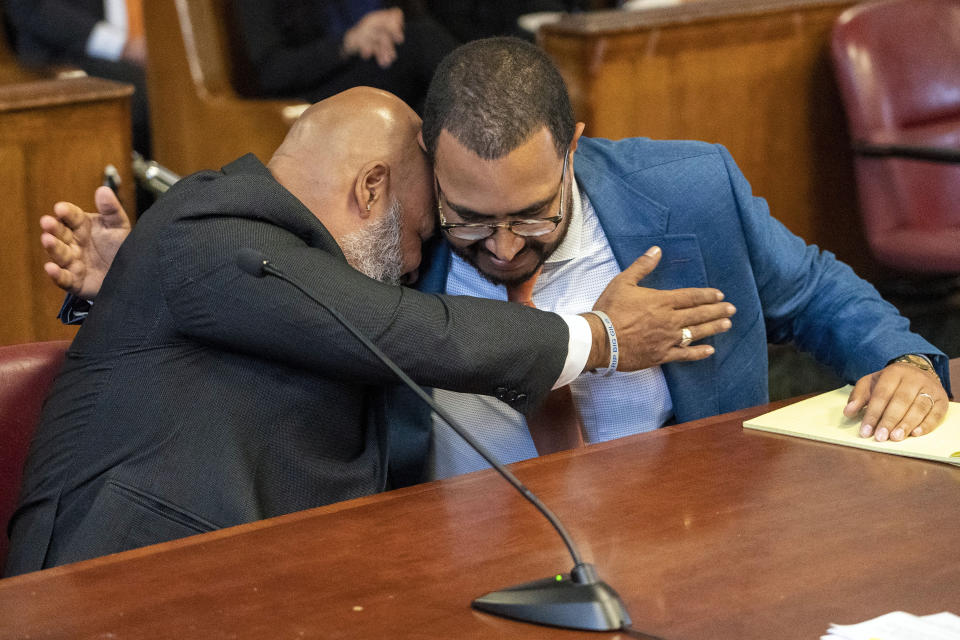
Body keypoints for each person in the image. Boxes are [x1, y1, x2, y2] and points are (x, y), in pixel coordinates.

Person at [8, 87, 735, 576]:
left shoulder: (229, 263)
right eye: (423, 233)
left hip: (258, 579)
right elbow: (409, 331)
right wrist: (599, 337)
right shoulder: (213, 223)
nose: (418, 263)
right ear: (372, 188)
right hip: (119, 570)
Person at [388, 37, 951, 480]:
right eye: (470, 219)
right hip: (462, 549)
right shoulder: (390, 247)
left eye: (534, 215)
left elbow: (812, 291)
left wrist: (906, 362)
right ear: (429, 161)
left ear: (572, 148)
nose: (505, 246)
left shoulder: (691, 192)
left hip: (684, 527)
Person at [230, 0, 457, 113]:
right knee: (420, 41)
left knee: (433, 99)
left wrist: (392, 22)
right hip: (308, 94)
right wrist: (348, 43)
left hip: (380, 67)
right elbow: (270, 73)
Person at [4, 0, 151, 156]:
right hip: (64, 60)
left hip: (143, 54)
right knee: (144, 92)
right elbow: (31, 7)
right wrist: (122, 46)